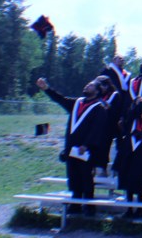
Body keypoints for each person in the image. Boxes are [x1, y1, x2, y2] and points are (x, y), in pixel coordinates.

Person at [36, 77, 108, 216]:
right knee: (73, 176)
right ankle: (75, 205)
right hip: (71, 147)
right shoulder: (77, 103)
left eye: (91, 86)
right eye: (87, 84)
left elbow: (97, 129)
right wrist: (46, 88)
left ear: (98, 91)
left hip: (86, 149)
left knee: (86, 177)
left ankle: (89, 206)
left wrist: (87, 145)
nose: (87, 86)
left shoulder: (99, 108)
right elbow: (60, 99)